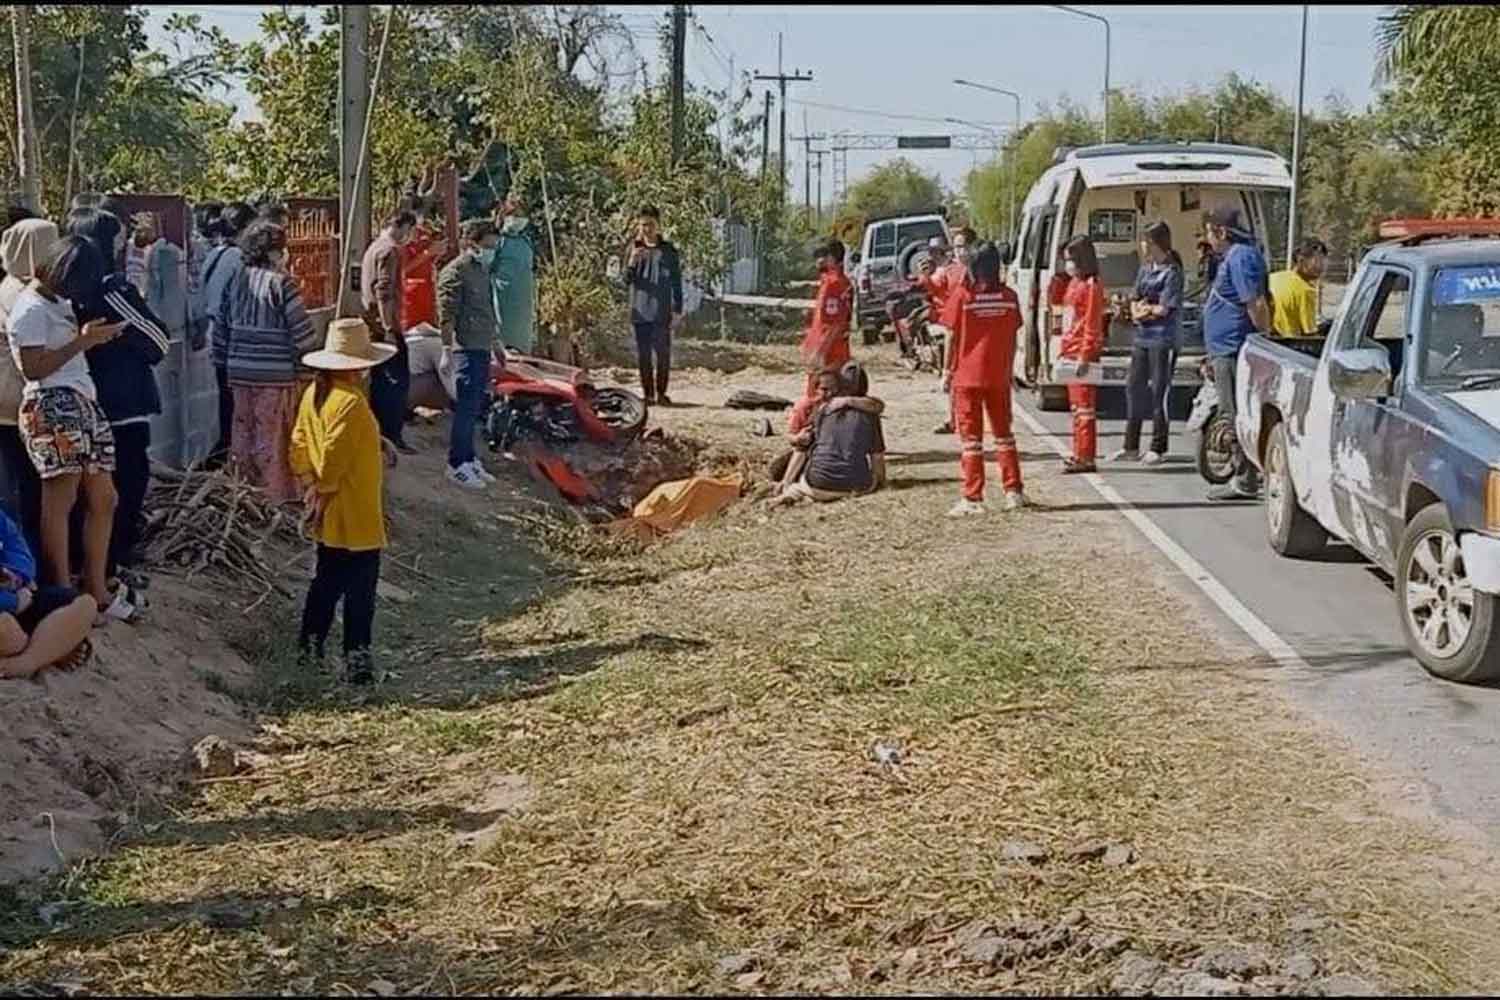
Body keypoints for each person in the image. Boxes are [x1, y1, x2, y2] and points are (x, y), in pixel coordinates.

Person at [9, 237, 135, 622]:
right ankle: (63, 592)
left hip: (82, 402)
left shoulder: (57, 302)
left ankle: (95, 588)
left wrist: (89, 339)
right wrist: (81, 342)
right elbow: (33, 368)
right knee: (60, 502)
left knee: (104, 497)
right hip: (51, 403)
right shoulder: (29, 308)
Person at [290, 317, 398, 685]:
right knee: (360, 590)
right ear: (362, 366)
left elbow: (300, 443)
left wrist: (310, 484)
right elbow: (335, 451)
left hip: (330, 509)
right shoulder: (350, 403)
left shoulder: (315, 395)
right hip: (356, 510)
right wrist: (325, 485)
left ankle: (309, 649)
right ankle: (357, 660)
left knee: (325, 582)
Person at [66, 208, 170, 590]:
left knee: (83, 497)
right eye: (120, 238)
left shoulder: (62, 294)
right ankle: (111, 568)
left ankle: (87, 566)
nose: (125, 245)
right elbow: (158, 342)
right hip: (122, 409)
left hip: (82, 409)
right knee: (124, 489)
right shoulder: (112, 291)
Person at [220, 220, 320, 503]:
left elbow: (222, 326)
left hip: (239, 370)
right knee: (271, 436)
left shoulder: (235, 279)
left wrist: (225, 361)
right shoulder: (282, 283)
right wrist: (307, 367)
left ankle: (242, 492)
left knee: (242, 432)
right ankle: (272, 498)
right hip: (273, 375)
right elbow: (301, 331)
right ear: (274, 252)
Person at [942, 240, 1026, 515]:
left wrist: (946, 371)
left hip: (967, 376)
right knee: (1004, 435)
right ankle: (1013, 491)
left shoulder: (963, 296)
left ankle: (973, 497)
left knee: (971, 440)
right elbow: (1013, 336)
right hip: (999, 375)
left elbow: (951, 336)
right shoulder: (1010, 297)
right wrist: (1010, 368)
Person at [1201, 205, 1271, 501]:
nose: (1208, 239)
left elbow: (1255, 303)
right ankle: (1243, 473)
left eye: (1209, 233)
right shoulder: (1233, 257)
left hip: (1233, 349)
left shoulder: (1240, 258)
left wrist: (1265, 340)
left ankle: (1245, 480)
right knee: (1233, 411)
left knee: (1235, 414)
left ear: (1221, 231)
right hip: (1224, 348)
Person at [0, 219, 58, 555]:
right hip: (14, 401)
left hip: (11, 400)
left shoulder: (11, 285)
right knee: (27, 487)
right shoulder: (22, 295)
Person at [436, 218, 503, 491]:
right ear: (471, 243)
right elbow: (446, 315)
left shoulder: (481, 270)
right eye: (487, 245)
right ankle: (455, 464)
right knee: (464, 408)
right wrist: (445, 348)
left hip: (482, 346)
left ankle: (469, 457)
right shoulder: (455, 272)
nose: (491, 250)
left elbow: (487, 310)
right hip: (465, 348)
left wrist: (496, 344)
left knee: (475, 406)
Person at [1115, 221, 1184, 466]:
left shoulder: (1172, 272)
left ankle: (1158, 445)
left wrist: (1145, 310)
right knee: (1134, 388)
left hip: (1163, 339)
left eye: (1146, 240)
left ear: (1156, 243)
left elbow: (1164, 309)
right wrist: (1139, 310)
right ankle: (1130, 445)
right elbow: (1135, 299)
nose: (1143, 245)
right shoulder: (1145, 269)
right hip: (1142, 337)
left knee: (1159, 392)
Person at [772, 361, 887, 506]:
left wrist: (786, 481)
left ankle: (795, 492)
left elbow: (802, 449)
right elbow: (877, 457)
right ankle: (801, 493)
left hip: (816, 484)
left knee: (802, 485)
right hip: (855, 485)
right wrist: (880, 482)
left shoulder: (824, 410)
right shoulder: (871, 414)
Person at [0, 505, 95, 679]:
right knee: (9, 633)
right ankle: (50, 649)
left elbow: (18, 549)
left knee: (84, 605)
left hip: (17, 594)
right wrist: (12, 601)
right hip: (9, 606)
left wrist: (17, 578)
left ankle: (28, 661)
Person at [361, 210, 418, 452]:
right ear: (403, 226)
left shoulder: (373, 247)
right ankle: (391, 436)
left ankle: (380, 432)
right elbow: (383, 291)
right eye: (410, 230)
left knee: (382, 382)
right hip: (385, 326)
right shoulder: (389, 250)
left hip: (372, 324)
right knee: (395, 384)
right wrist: (389, 329)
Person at [206, 201, 257, 466]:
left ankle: (221, 458)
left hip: (214, 337)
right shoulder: (239, 259)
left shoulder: (215, 253)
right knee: (235, 410)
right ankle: (225, 461)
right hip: (230, 340)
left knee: (227, 407)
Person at [625, 205, 683, 407]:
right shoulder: (634, 249)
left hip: (662, 311)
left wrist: (678, 309)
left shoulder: (668, 251)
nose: (646, 229)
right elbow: (625, 280)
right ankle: (648, 394)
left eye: (650, 224)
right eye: (643, 225)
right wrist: (632, 261)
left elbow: (677, 281)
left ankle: (661, 393)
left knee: (663, 355)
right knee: (643, 356)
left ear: (658, 225)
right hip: (640, 311)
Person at [1059, 235, 1107, 474]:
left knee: (1085, 409)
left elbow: (1091, 323)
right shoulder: (1074, 283)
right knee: (1077, 410)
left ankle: (1086, 456)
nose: (1067, 265)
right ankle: (1079, 452)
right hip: (1070, 349)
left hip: (1081, 352)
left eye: (1070, 260)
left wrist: (1085, 355)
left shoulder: (1091, 285)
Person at [922, 227, 976, 435]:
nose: (959, 252)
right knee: (953, 374)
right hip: (954, 327)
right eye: (956, 247)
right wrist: (926, 277)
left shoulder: (982, 270)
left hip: (977, 331)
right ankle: (954, 418)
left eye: (963, 246)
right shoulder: (950, 271)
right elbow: (936, 288)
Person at [799, 238, 853, 397]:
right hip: (834, 348)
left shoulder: (834, 284)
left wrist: (820, 352)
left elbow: (834, 323)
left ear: (831, 258)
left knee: (818, 395)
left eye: (822, 256)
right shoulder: (836, 281)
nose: (818, 260)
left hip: (830, 351)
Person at [491, 197, 538, 355]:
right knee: (504, 336)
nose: (518, 219)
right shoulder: (498, 242)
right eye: (514, 215)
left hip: (524, 297)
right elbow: (489, 267)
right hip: (504, 296)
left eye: (521, 215)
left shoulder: (526, 241)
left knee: (523, 336)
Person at [400, 194, 446, 332]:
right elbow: (401, 270)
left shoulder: (423, 233)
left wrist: (438, 252)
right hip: (408, 297)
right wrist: (428, 254)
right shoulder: (398, 239)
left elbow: (431, 261)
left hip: (426, 294)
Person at [1269, 238, 1328, 337]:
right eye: (1317, 261)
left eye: (1323, 261)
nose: (1321, 267)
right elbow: (1310, 334)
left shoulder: (1273, 277)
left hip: (1268, 339)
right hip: (1289, 344)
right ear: (1301, 260)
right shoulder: (1306, 291)